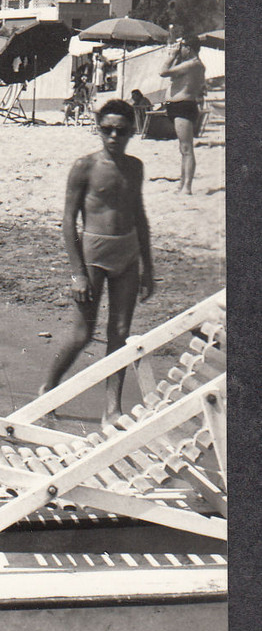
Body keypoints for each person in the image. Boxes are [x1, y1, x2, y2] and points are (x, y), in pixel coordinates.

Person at [39, 100, 155, 429]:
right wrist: (77, 273)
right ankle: (48, 389)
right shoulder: (84, 166)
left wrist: (149, 267)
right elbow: (67, 220)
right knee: (82, 333)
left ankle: (112, 410)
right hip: (93, 253)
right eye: (107, 130)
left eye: (121, 130)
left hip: (128, 251)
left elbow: (140, 216)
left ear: (132, 130)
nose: (114, 136)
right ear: (98, 128)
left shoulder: (135, 167)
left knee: (119, 334)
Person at [159, 35, 205, 194]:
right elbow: (173, 75)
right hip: (180, 106)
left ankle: (187, 187)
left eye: (183, 46)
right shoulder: (191, 65)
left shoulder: (193, 65)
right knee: (183, 149)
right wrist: (177, 57)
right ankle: (182, 183)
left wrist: (171, 56)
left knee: (186, 148)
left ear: (189, 48)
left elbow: (163, 72)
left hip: (183, 106)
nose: (180, 49)